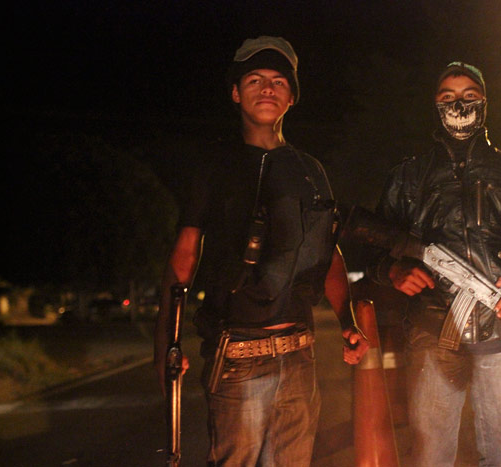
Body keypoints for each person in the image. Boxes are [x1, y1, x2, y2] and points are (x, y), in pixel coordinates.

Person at [153, 36, 368, 466]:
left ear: (290, 97)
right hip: (236, 356)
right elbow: (185, 256)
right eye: (254, 79)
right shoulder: (214, 165)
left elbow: (329, 255)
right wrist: (165, 344)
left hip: (300, 355)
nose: (267, 88)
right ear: (235, 93)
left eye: (278, 81)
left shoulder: (310, 171)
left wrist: (347, 319)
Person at [367, 61, 501, 466]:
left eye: (469, 96)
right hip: (429, 333)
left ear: (485, 104)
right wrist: (392, 271)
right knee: (430, 455)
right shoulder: (407, 177)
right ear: (434, 106)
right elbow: (371, 247)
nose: (459, 104)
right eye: (447, 97)